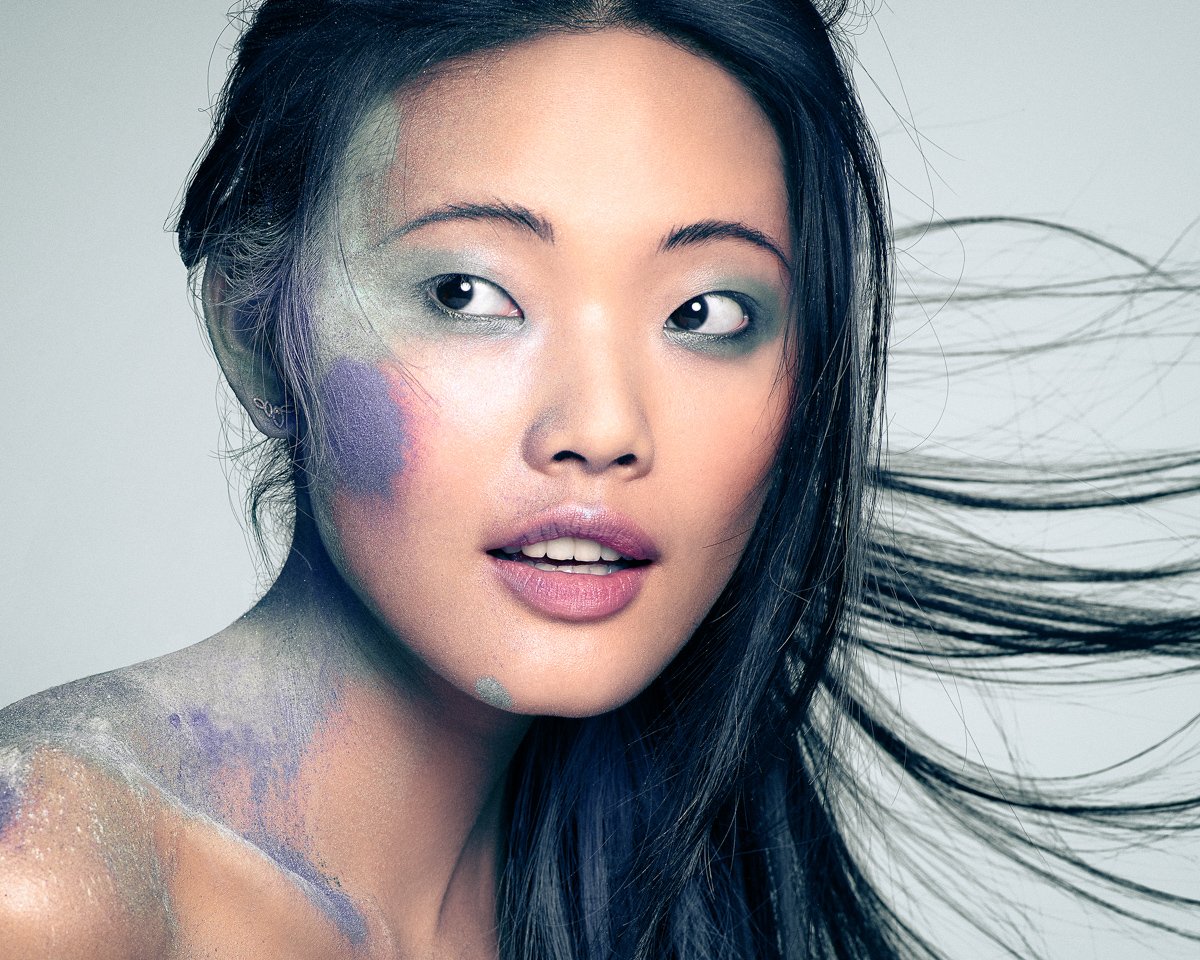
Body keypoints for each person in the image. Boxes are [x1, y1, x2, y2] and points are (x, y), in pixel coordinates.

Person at [1, 2, 1197, 957]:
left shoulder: (638, 892)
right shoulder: (52, 885)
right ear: (257, 331)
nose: (605, 428)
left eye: (705, 312)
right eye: (469, 294)